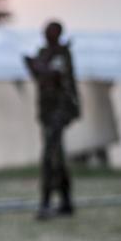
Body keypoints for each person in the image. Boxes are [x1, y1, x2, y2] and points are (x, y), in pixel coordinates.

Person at [24, 21, 80, 219]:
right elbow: (38, 76)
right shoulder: (44, 52)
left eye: (51, 32)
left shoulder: (62, 53)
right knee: (56, 155)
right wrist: (35, 65)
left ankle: (46, 202)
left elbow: (56, 75)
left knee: (50, 155)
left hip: (60, 110)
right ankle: (65, 202)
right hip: (47, 110)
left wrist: (40, 65)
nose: (47, 35)